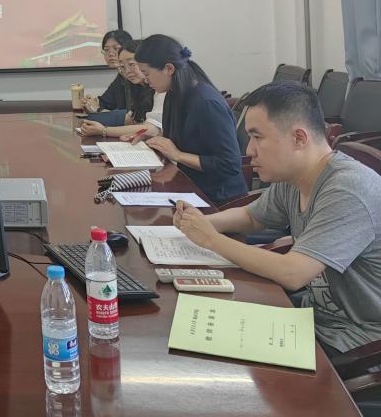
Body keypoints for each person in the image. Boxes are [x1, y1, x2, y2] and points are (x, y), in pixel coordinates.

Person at [173, 82, 381, 357]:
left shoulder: (347, 189)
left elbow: (293, 273)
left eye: (257, 137)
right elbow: (251, 216)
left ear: (299, 138)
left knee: (211, 354)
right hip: (314, 315)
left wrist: (211, 239)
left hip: (359, 339)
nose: (249, 150)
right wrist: (201, 222)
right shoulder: (296, 177)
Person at [132, 35, 246, 204]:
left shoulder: (206, 103)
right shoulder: (173, 94)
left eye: (146, 73)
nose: (144, 79)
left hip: (218, 198)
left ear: (169, 69)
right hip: (190, 185)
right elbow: (185, 139)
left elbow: (230, 163)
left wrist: (178, 155)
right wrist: (153, 138)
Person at [79, 41, 154, 139]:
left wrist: (103, 130)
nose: (127, 71)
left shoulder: (159, 88)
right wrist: (93, 113)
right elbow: (131, 118)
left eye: (132, 64)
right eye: (122, 66)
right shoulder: (136, 86)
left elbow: (151, 129)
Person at [83, 30, 133, 115]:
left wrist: (98, 109)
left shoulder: (137, 77)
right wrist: (90, 102)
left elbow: (133, 117)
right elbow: (105, 103)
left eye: (116, 49)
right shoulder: (120, 77)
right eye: (106, 50)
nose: (110, 54)